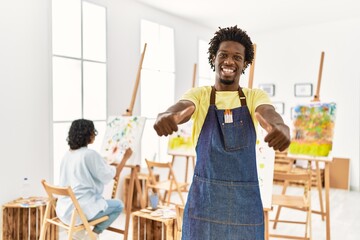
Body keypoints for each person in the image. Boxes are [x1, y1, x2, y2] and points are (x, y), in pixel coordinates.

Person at [153, 25, 290, 239]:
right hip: (205, 202)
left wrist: (279, 126)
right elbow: (183, 109)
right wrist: (168, 116)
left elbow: (267, 114)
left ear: (244, 64)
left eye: (237, 57)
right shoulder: (200, 95)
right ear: (213, 58)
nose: (229, 61)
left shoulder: (254, 97)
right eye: (223, 55)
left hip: (245, 204)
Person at [56, 119, 133, 240]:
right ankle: (93, 235)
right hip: (79, 211)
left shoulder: (67, 154)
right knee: (118, 205)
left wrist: (103, 163)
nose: (94, 134)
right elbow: (112, 175)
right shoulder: (90, 154)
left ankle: (81, 233)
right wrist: (125, 158)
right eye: (93, 132)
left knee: (99, 202)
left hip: (64, 210)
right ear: (88, 135)